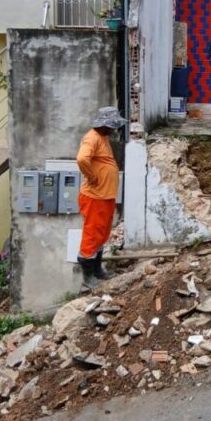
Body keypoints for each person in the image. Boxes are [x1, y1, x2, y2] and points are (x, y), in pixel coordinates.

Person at [75, 106, 126, 290]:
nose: (114, 130)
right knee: (92, 234)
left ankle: (97, 270)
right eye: (112, 126)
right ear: (105, 124)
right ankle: (88, 277)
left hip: (105, 196)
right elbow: (82, 159)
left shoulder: (102, 137)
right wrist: (92, 176)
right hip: (94, 197)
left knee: (102, 234)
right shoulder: (91, 138)